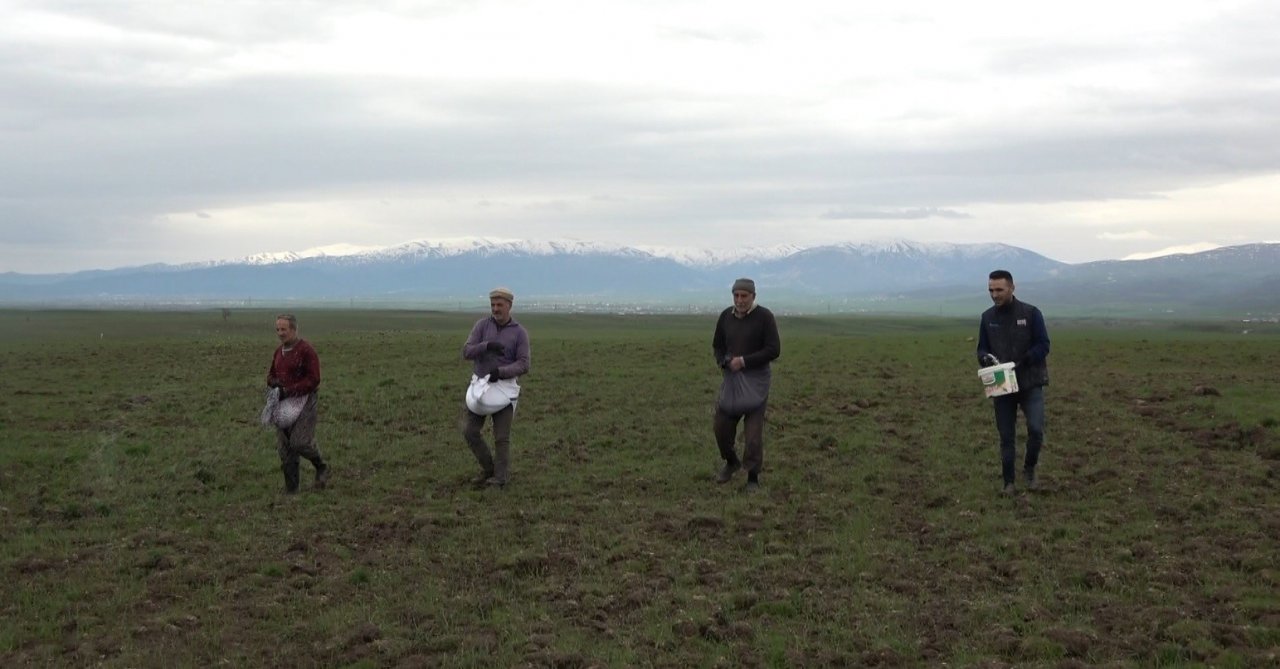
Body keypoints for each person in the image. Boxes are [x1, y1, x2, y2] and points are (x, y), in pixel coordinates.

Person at [976, 270, 1050, 495]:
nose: (994, 294)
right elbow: (982, 347)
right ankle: (1008, 483)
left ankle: (1029, 469)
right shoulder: (987, 318)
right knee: (1006, 436)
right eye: (991, 290)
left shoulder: (1031, 313)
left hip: (1030, 381)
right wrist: (984, 358)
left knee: (1036, 430)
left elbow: (1043, 344)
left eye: (999, 289)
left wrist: (1027, 359)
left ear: (1012, 288)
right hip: (1001, 383)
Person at [711, 278, 781, 492]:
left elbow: (773, 349)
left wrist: (744, 361)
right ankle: (731, 461)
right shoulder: (725, 317)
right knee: (721, 426)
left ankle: (752, 478)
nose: (740, 300)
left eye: (744, 296)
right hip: (733, 381)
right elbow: (718, 345)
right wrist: (724, 361)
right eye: (736, 296)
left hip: (756, 382)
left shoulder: (764, 317)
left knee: (752, 435)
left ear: (753, 297)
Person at [460, 287, 531, 487]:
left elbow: (524, 363)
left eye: (500, 305)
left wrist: (502, 372)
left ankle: (500, 479)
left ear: (509, 306)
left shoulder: (519, 333)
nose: (495, 309)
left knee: (501, 437)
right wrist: (486, 345)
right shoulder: (482, 326)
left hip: (505, 390)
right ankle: (489, 469)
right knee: (470, 431)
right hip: (480, 388)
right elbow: (466, 351)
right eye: (493, 305)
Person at [266, 313, 329, 493]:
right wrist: (274, 383)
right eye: (277, 329)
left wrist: (291, 389)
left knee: (300, 442)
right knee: (285, 450)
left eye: (283, 329)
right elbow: (270, 375)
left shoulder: (306, 350)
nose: (280, 333)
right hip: (283, 405)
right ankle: (292, 491)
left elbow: (314, 379)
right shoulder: (278, 352)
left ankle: (321, 466)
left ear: (294, 329)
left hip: (305, 402)